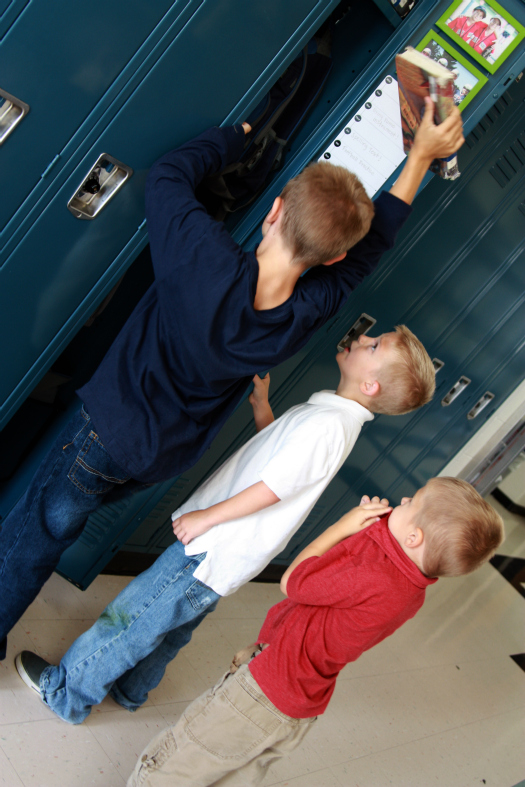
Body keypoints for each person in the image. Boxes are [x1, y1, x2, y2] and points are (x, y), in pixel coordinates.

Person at [0, 97, 464, 662]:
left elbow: (169, 174)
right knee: (54, 523)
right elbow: (372, 249)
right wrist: (419, 157)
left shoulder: (201, 254)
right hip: (160, 458)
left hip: (106, 435)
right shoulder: (300, 316)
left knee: (36, 533)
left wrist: (238, 136)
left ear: (273, 212)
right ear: (334, 258)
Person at [15, 323, 436, 723]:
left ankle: (67, 693)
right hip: (231, 553)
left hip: (214, 545)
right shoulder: (333, 417)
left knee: (134, 618)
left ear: (370, 386)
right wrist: (264, 411)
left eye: (375, 345)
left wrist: (205, 518)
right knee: (173, 626)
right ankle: (130, 690)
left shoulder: (328, 425)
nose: (363, 337)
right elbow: (285, 468)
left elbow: (273, 488)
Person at [125, 477, 504, 786]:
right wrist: (373, 533)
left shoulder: (374, 574)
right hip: (298, 707)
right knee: (230, 776)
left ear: (414, 539)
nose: (402, 498)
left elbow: (294, 582)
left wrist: (341, 527)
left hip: (264, 693)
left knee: (180, 760)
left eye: (411, 502)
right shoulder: (412, 591)